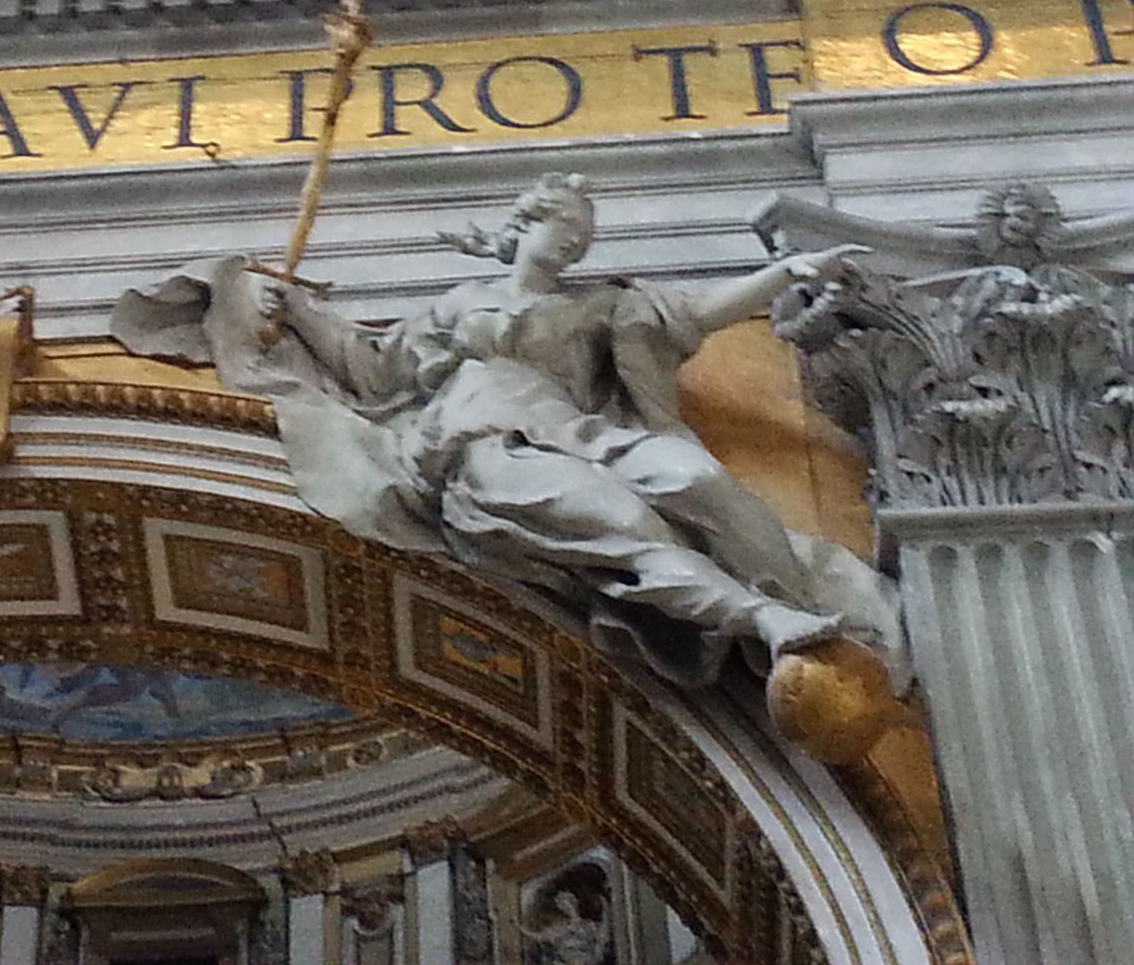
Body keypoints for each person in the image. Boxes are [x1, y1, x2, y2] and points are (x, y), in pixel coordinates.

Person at [112, 172, 902, 687]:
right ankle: (763, 620)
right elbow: (373, 367)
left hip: (577, 429)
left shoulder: (596, 307)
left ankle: (800, 603)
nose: (571, 241)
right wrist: (298, 310)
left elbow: (693, 315)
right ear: (524, 224)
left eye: (581, 234)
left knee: (700, 483)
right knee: (622, 526)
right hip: (482, 438)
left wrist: (786, 274)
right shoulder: (459, 305)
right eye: (562, 224)